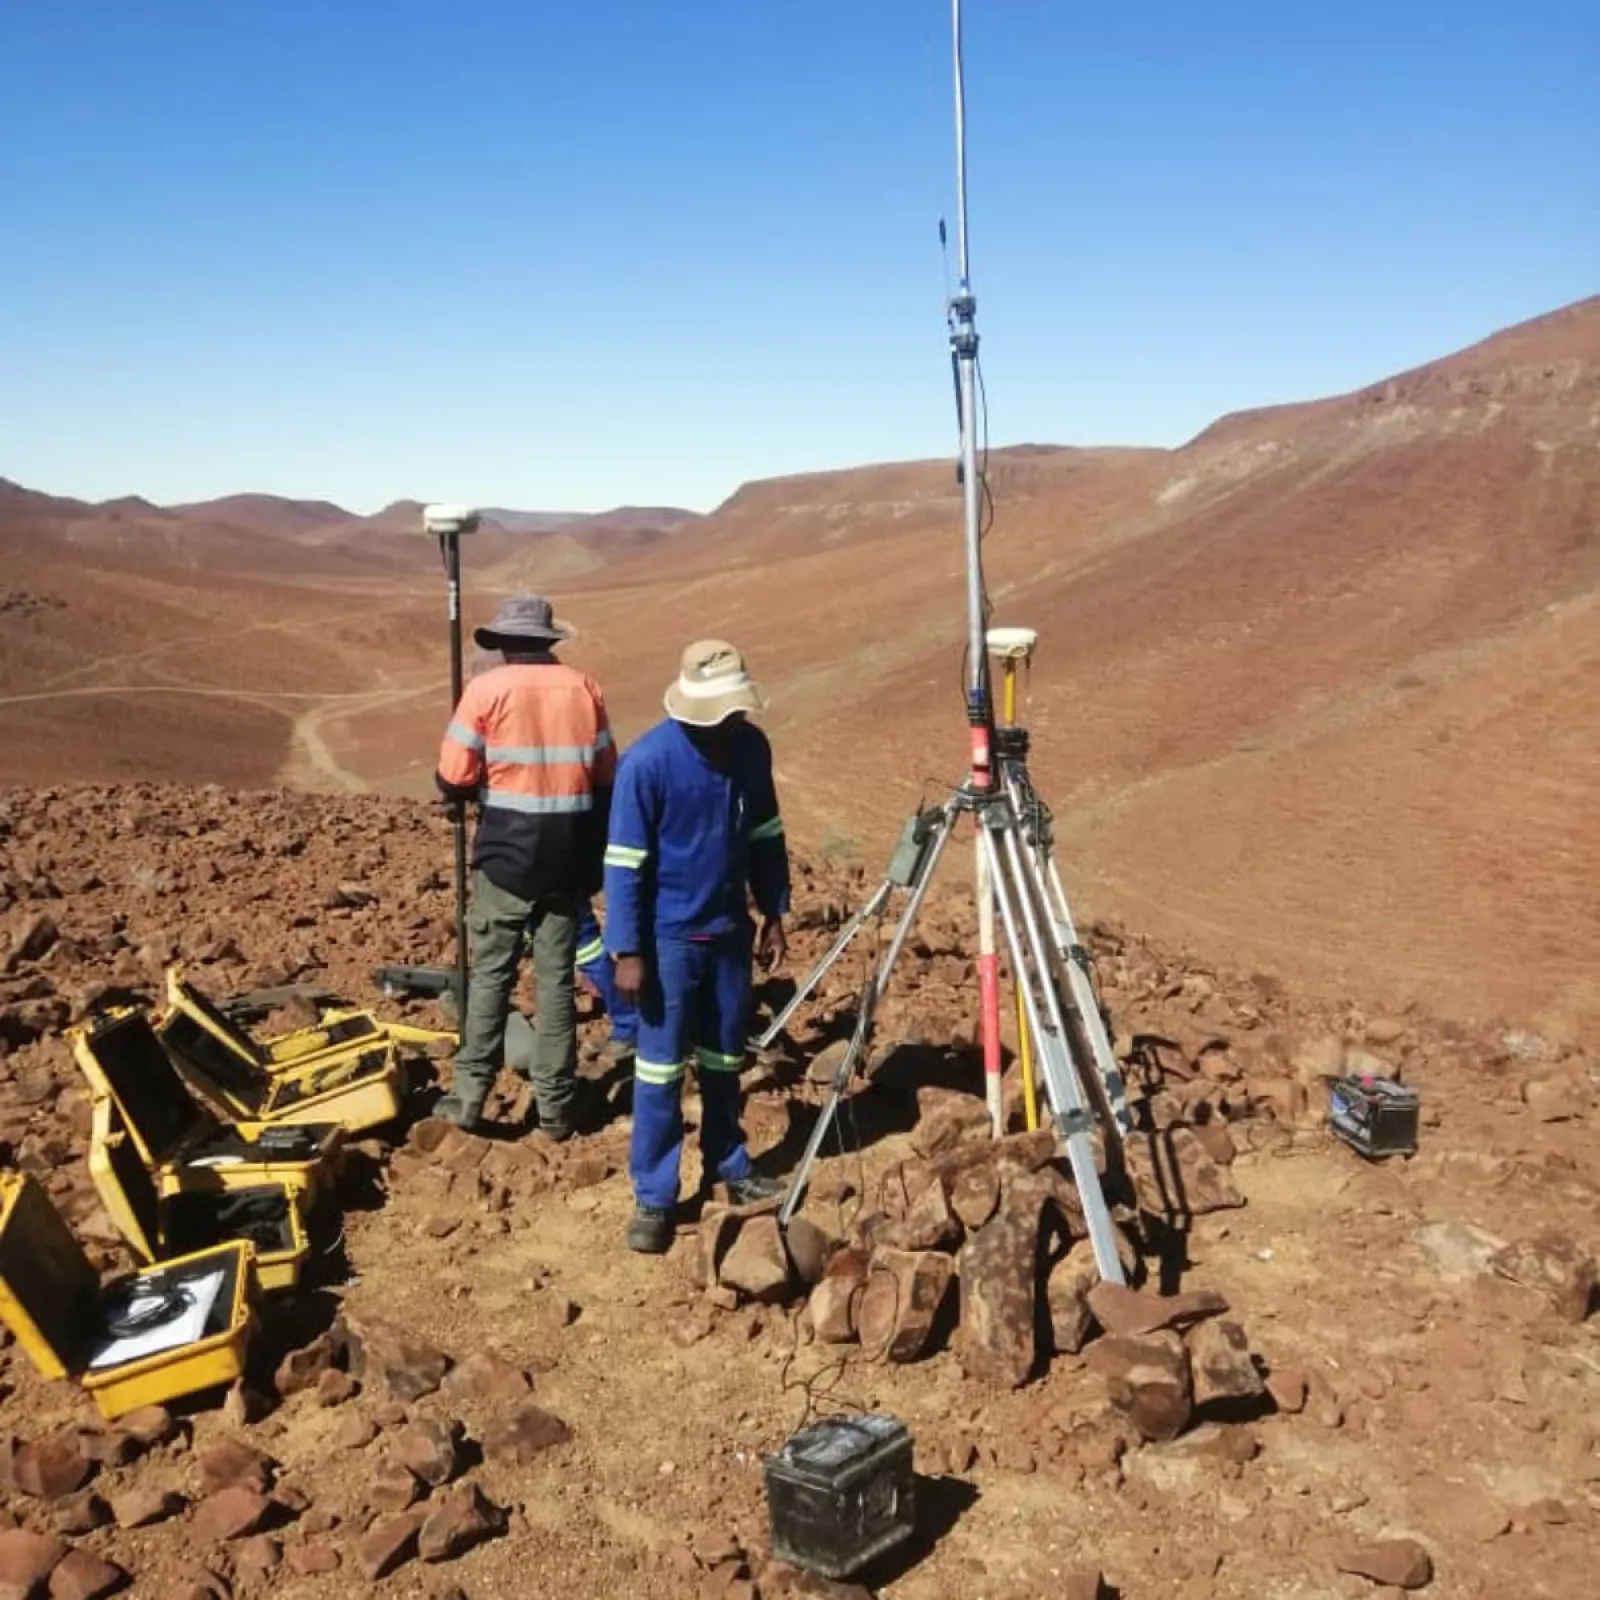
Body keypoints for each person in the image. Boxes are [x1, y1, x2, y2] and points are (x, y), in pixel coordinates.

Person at [604, 639, 791, 1254]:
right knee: (658, 1071)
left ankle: (729, 1163)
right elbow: (625, 864)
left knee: (722, 1059)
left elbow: (764, 830)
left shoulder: (751, 749)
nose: (735, 719)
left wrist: (774, 910)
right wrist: (627, 950)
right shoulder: (647, 764)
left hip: (729, 933)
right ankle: (655, 1198)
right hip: (667, 944)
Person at [433, 594, 614, 1138]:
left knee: (490, 975)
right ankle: (556, 1107)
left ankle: (469, 1097)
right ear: (548, 641)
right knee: (558, 982)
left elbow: (453, 776)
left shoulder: (486, 689)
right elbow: (606, 774)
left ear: (506, 643)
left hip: (505, 858)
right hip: (567, 858)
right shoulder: (584, 687)